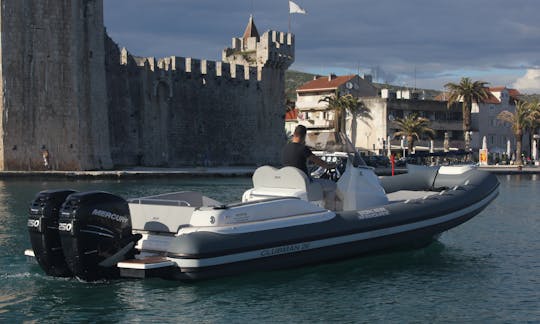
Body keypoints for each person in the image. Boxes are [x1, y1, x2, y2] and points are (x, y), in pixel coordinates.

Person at [282, 125, 337, 209]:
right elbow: (319, 162)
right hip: (305, 183)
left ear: (294, 134)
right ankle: (329, 212)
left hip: (290, 182)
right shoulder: (303, 148)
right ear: (304, 136)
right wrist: (330, 166)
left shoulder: (285, 148)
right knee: (332, 186)